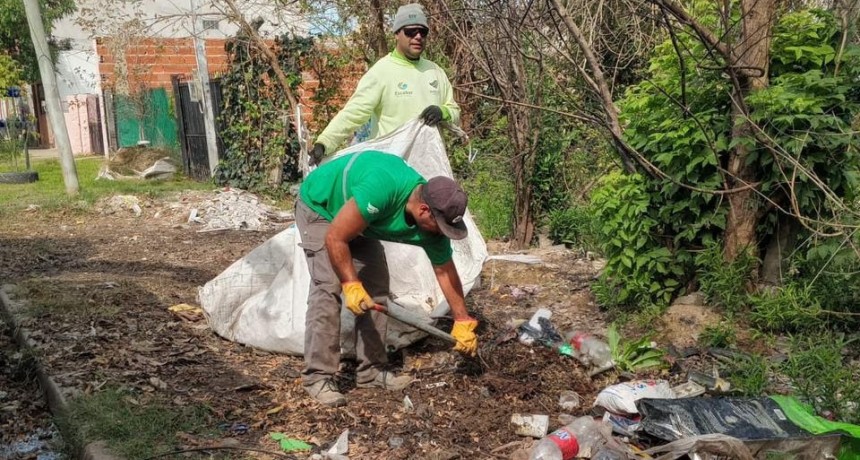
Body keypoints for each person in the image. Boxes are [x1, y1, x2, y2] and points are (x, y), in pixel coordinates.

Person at [296, 150, 478, 407]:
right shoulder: (383, 188)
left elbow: (445, 270)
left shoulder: (431, 227)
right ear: (424, 210)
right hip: (321, 207)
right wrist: (350, 282)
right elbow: (335, 237)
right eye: (441, 226)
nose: (442, 234)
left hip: (360, 218)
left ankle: (371, 373)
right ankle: (318, 377)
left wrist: (462, 319)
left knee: (377, 289)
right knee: (328, 288)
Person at [310, 3, 460, 164]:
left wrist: (443, 112)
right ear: (396, 34)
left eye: (423, 32)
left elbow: (455, 112)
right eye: (410, 31)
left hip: (430, 166)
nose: (418, 37)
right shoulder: (381, 72)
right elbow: (353, 113)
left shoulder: (435, 72)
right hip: (392, 171)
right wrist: (324, 143)